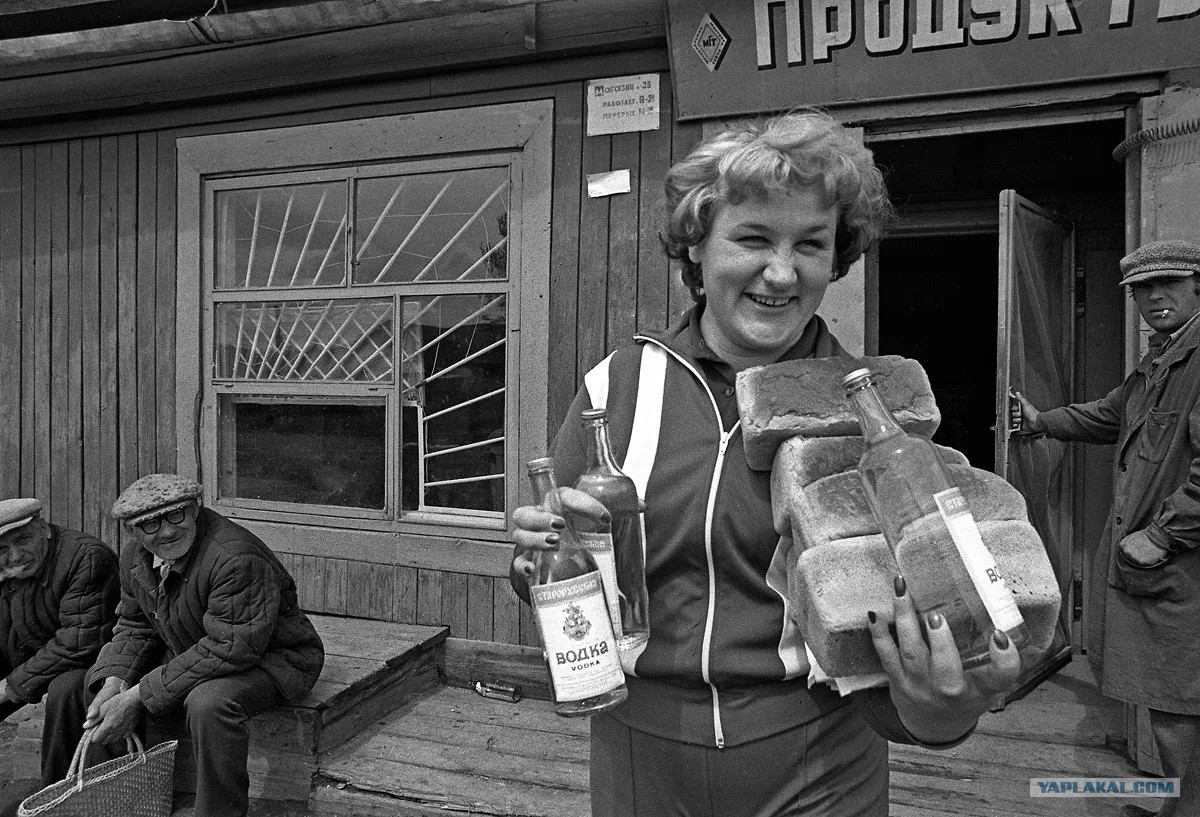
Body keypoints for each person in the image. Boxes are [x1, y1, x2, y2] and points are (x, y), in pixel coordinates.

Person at [509, 110, 1022, 817]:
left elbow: (900, 653)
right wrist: (537, 561)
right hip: (639, 758)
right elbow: (558, 574)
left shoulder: (877, 414)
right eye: (753, 238)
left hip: (820, 766)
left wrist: (943, 707)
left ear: (835, 258)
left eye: (810, 244)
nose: (781, 273)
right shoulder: (617, 387)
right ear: (696, 244)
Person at [1011, 239, 1200, 817]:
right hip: (1164, 567)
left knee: (1178, 700)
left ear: (1198, 285)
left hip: (1183, 562)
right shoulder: (1161, 359)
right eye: (1142, 288)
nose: (1154, 297)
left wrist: (1163, 534)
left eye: (1168, 284)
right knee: (1171, 698)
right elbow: (1109, 413)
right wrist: (1042, 421)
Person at [83, 474, 325, 817]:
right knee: (98, 687)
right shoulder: (136, 557)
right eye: (150, 524)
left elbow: (232, 647)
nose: (167, 531)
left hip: (273, 658)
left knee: (208, 703)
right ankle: (117, 805)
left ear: (195, 509)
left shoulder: (234, 557)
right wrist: (115, 683)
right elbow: (136, 625)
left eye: (176, 515)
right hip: (198, 647)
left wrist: (137, 695)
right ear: (131, 531)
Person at [0, 498, 119, 787]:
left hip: (90, 661)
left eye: (23, 540)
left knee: (66, 688)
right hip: (32, 656)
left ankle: (57, 792)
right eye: (2, 549)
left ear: (44, 529)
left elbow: (79, 643)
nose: (15, 555)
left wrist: (9, 686)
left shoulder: (85, 557)